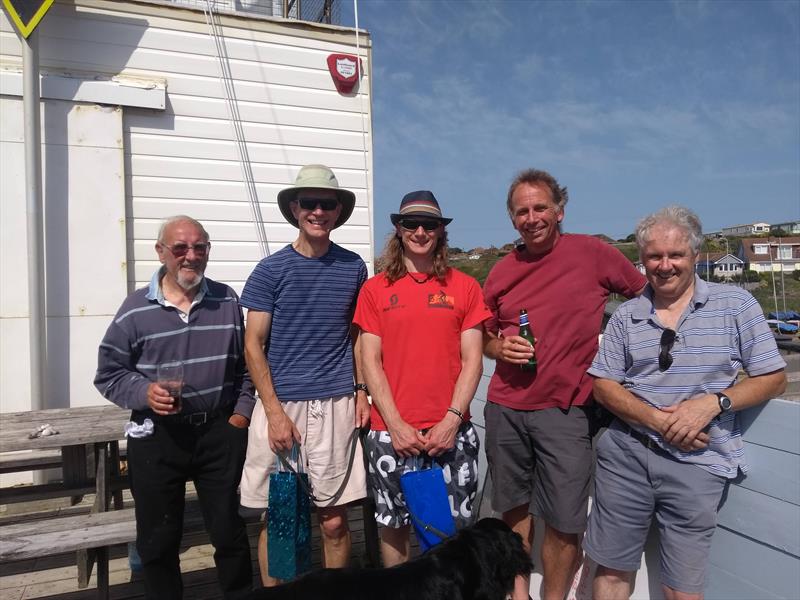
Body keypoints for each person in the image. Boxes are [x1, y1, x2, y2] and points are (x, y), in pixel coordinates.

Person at [584, 205, 787, 600]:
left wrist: (714, 403)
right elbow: (603, 387)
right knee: (611, 570)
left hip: (700, 462)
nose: (664, 265)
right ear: (642, 260)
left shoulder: (736, 306)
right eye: (654, 256)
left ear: (695, 255)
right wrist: (659, 422)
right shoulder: (627, 315)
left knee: (683, 585)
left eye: (675, 255)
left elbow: (774, 378)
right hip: (627, 454)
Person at [482, 168, 647, 600]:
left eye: (540, 208)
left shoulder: (593, 253)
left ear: (559, 210)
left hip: (567, 410)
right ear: (512, 218)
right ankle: (520, 594)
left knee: (566, 519)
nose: (532, 218)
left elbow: (646, 298)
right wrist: (497, 348)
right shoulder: (500, 270)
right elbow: (480, 335)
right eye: (522, 211)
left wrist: (628, 359)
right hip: (505, 407)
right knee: (512, 509)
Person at [95, 215, 254, 599]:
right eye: (180, 248)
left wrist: (240, 415)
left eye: (200, 247)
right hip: (158, 436)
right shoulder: (135, 309)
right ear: (161, 252)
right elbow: (109, 374)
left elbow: (246, 368)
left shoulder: (227, 300)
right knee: (158, 540)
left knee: (229, 533)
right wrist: (143, 393)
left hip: (218, 432)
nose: (191, 256)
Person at [238, 164, 369, 586]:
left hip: (336, 403)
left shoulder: (353, 268)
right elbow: (252, 345)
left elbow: (356, 338)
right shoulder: (271, 270)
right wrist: (274, 413)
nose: (317, 211)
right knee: (280, 519)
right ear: (295, 209)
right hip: (283, 405)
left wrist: (362, 392)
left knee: (333, 521)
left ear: (337, 211)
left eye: (326, 203)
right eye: (309, 203)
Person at [353, 191, 491, 567]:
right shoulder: (374, 288)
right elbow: (370, 360)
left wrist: (450, 420)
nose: (420, 231)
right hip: (390, 433)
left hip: (450, 432)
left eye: (429, 224)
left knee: (453, 535)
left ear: (440, 232)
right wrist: (396, 425)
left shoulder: (464, 287)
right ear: (398, 229)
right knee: (394, 530)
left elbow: (473, 360)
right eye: (411, 224)